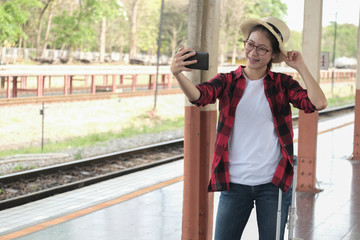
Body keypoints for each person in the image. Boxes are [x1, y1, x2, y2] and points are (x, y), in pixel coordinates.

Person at [170, 16, 327, 240]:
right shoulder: (227, 81)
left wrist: (300, 66)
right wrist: (177, 74)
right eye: (250, 44)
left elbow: (318, 103)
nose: (253, 53)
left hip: (273, 184)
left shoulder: (282, 84)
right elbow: (199, 96)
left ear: (273, 54)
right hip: (233, 184)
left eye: (262, 49)